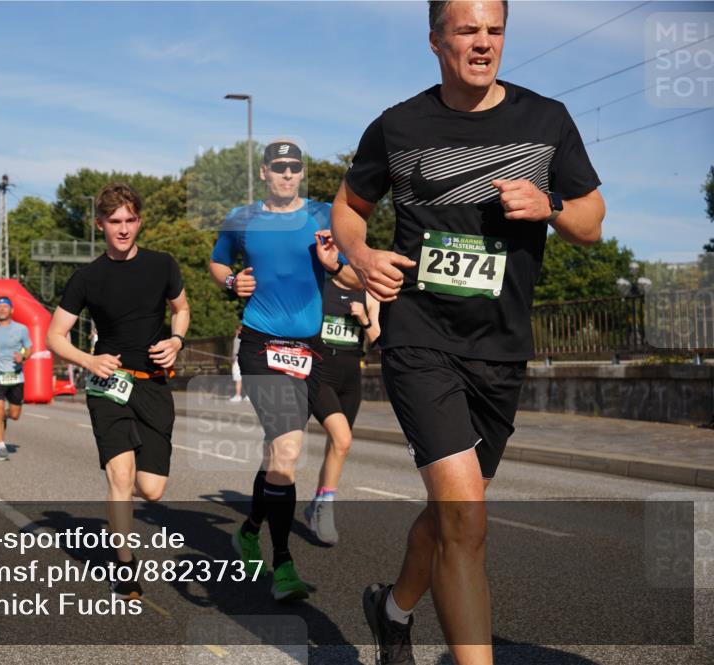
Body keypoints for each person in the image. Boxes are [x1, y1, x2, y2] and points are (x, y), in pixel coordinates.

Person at [331, 2, 605, 663]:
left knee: (457, 513)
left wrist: (551, 205)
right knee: (466, 518)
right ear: (436, 40)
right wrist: (362, 259)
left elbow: (593, 218)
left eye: (494, 30)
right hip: (419, 336)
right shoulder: (398, 126)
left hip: (501, 348)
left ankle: (392, 611)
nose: (483, 43)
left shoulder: (546, 121)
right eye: (467, 30)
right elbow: (347, 207)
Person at [209, 140, 360, 601]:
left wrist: (337, 264)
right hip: (260, 346)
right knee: (289, 450)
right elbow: (217, 262)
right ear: (264, 173)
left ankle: (249, 531)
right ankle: (283, 565)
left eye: (295, 168)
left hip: (310, 352)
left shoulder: (323, 216)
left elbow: (358, 277)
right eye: (280, 167)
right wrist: (233, 280)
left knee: (284, 453)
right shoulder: (242, 218)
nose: (288, 175)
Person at [48, 182, 189, 601]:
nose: (123, 229)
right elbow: (55, 335)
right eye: (114, 222)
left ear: (139, 221)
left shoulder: (163, 265)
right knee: (121, 477)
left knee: (151, 489)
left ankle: (124, 540)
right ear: (100, 225)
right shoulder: (86, 277)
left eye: (129, 220)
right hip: (107, 384)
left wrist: (177, 342)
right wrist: (89, 361)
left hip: (153, 385)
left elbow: (181, 309)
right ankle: (125, 565)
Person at [305, 279, 380, 545]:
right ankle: (326, 505)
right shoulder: (318, 284)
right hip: (319, 372)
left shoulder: (369, 292)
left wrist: (364, 318)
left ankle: (317, 502)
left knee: (336, 445)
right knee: (342, 439)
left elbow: (378, 340)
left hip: (351, 378)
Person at [0, 297, 31, 461]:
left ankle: (5, 417)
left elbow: (29, 349)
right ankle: (1, 445)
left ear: (12, 310)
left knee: (15, 414)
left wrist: (22, 356)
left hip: (15, 376)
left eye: (5, 307)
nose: (2, 309)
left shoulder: (21, 329)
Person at [228, 324, 247, 403]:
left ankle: (238, 395)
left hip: (238, 361)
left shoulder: (237, 339)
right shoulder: (246, 339)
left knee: (238, 378)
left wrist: (233, 359)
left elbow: (236, 352)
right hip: (245, 360)